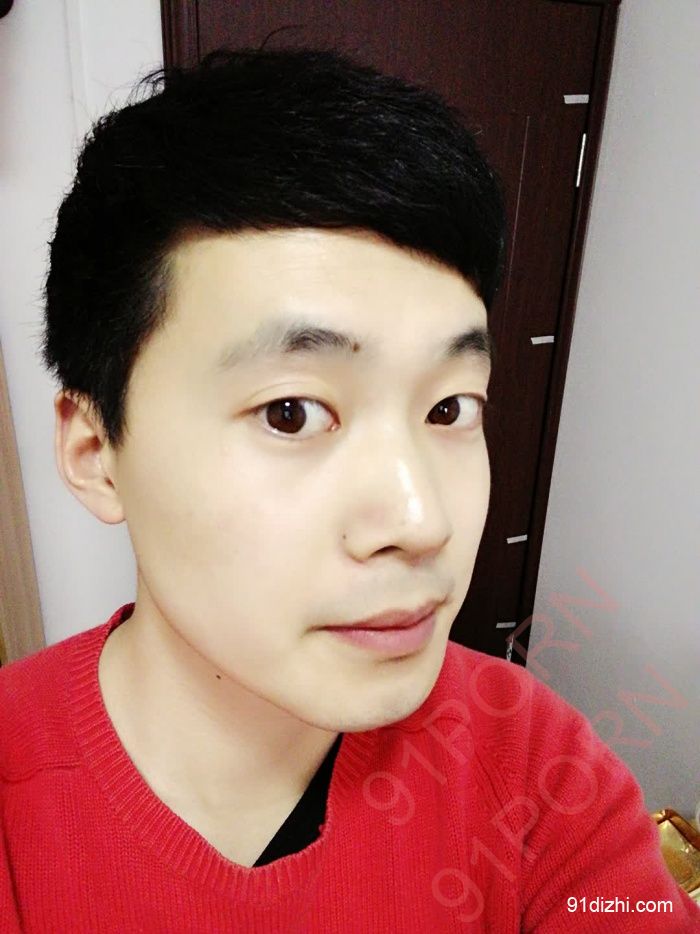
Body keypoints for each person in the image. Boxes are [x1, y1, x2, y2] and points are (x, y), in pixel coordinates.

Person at [1, 46, 697, 933]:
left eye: (449, 408)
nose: (421, 520)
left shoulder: (538, 768)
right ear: (96, 450)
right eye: (291, 412)